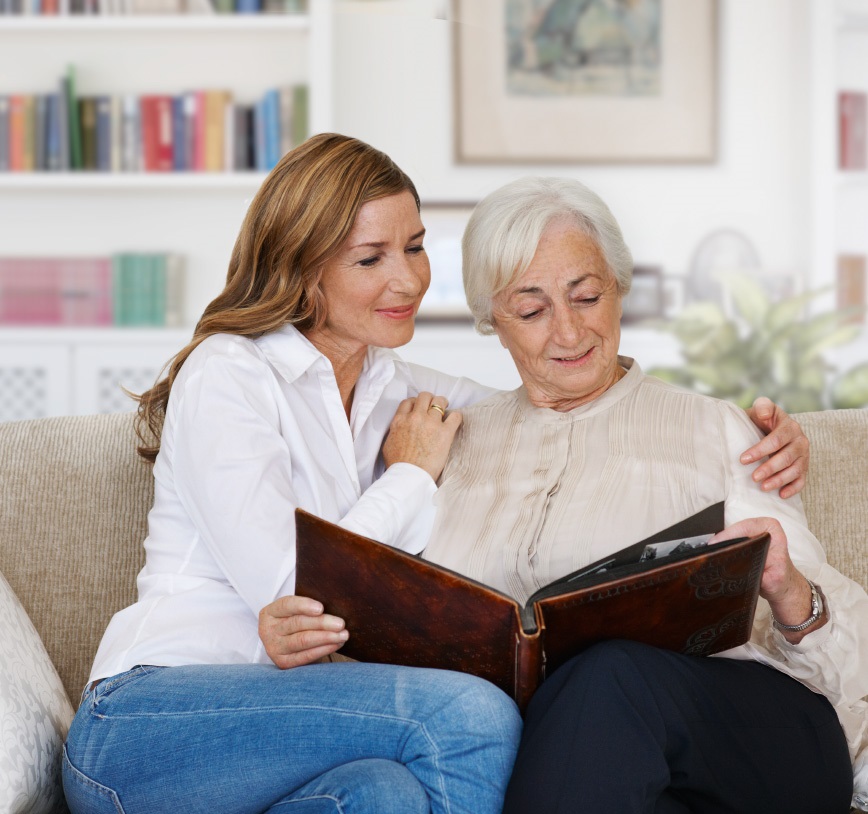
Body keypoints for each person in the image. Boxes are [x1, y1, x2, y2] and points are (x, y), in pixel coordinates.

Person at [63, 133, 809, 814]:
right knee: (470, 714)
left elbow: (566, 406)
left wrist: (749, 434)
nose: (408, 280)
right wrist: (412, 478)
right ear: (302, 270)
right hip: (149, 721)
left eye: (415, 247)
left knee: (387, 797)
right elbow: (298, 594)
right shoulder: (230, 373)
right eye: (370, 259)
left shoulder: (398, 386)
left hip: (299, 739)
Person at [416, 176, 868, 813]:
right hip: (591, 760)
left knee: (609, 673)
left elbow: (850, 667)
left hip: (754, 734)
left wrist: (788, 587)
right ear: (492, 320)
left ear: (619, 289)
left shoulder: (717, 427)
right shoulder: (452, 444)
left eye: (587, 296)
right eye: (532, 309)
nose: (569, 332)